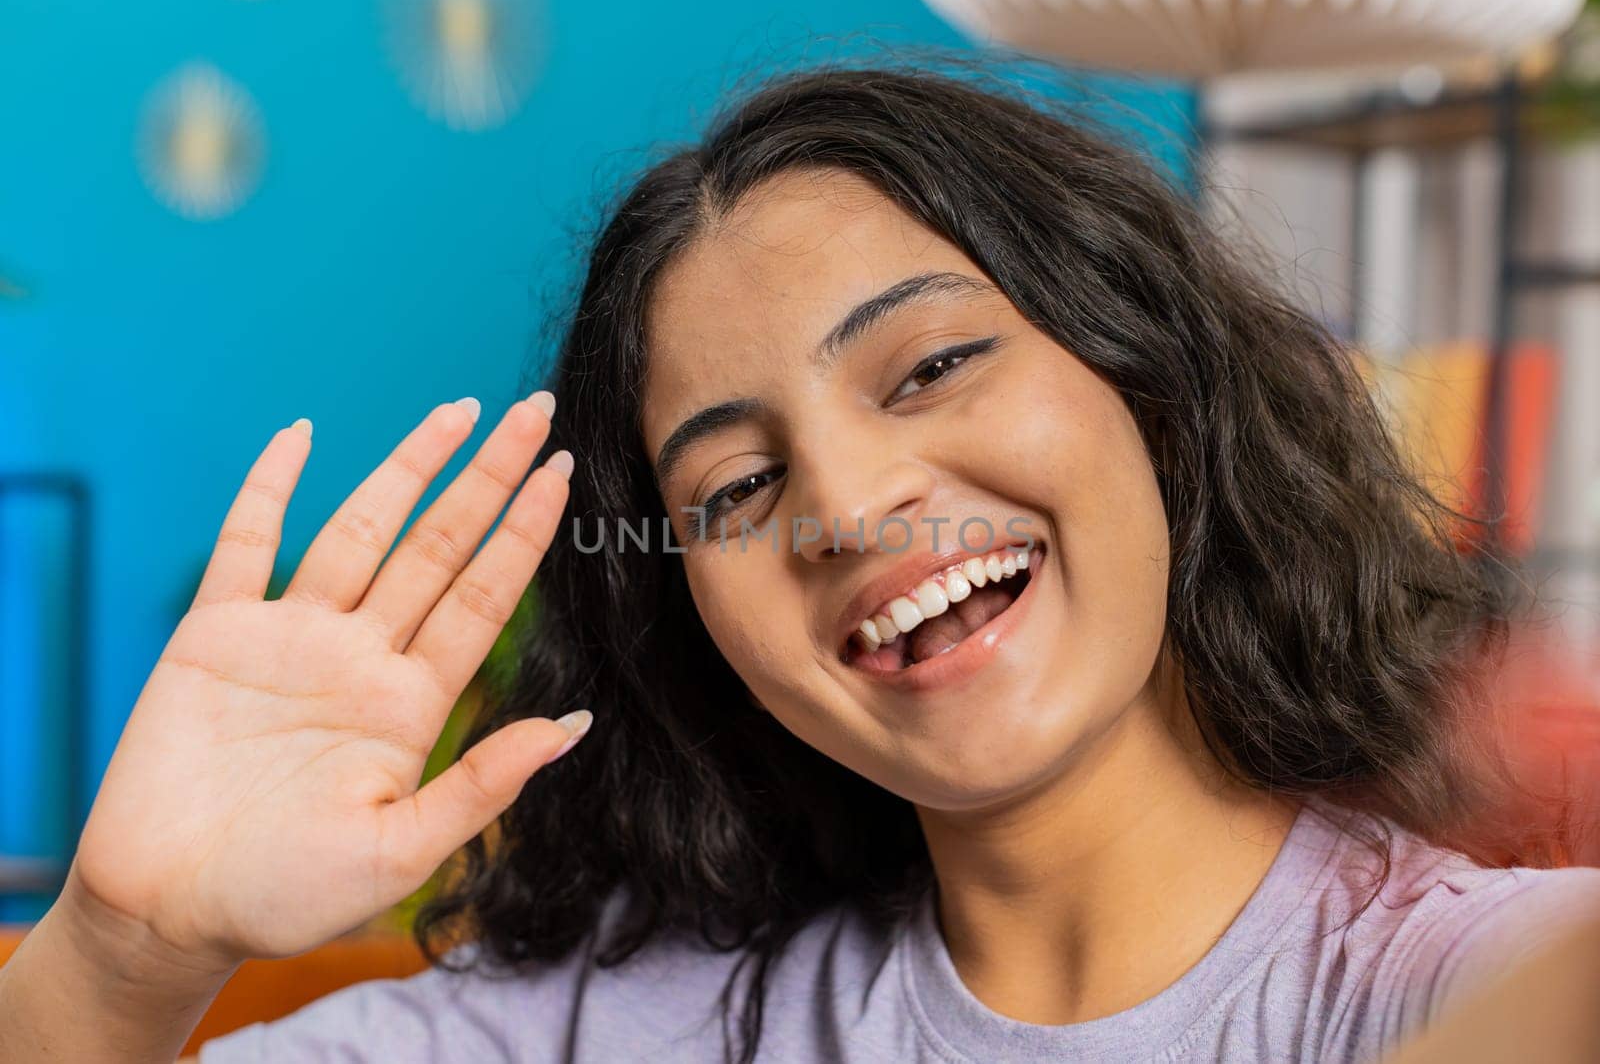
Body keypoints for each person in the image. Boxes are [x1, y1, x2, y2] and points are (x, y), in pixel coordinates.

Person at [3, 56, 1600, 1064]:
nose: (843, 506)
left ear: (1157, 396)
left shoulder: (1461, 982)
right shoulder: (609, 1033)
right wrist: (124, 950)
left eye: (928, 368)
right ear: (703, 624)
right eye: (740, 482)